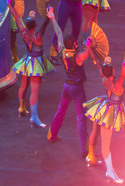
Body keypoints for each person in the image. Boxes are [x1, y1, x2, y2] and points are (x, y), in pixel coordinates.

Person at [47, 22, 93, 160]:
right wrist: (89, 42)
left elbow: (59, 33)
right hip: (77, 89)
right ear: (73, 44)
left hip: (66, 86)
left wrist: (53, 18)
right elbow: (88, 53)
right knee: (81, 118)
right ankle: (84, 151)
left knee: (60, 110)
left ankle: (52, 135)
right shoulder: (78, 57)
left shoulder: (61, 51)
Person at [7, 0, 55, 128]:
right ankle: (34, 117)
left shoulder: (23, 32)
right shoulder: (37, 36)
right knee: (34, 91)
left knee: (23, 85)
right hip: (36, 65)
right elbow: (45, 25)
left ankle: (21, 108)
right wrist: (48, 15)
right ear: (34, 26)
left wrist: (9, 6)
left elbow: (17, 18)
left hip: (27, 61)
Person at [83, 55, 125, 183]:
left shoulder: (103, 77)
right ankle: (109, 171)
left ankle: (90, 156)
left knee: (95, 131)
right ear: (113, 71)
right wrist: (124, 66)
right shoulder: (116, 85)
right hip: (108, 114)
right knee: (106, 144)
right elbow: (123, 76)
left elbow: (99, 63)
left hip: (102, 107)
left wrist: (91, 49)